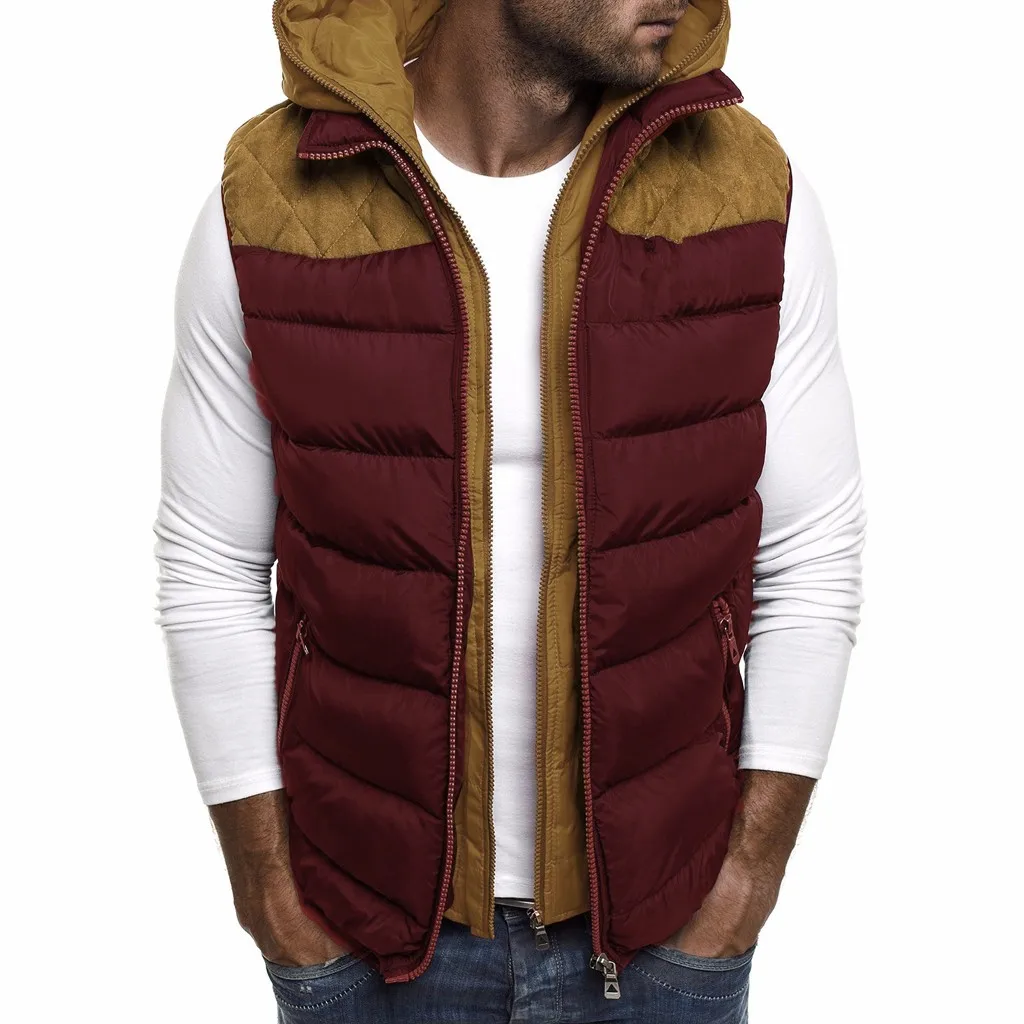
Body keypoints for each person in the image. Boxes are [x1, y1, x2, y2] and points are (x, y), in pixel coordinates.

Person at [153, 0, 866, 1020]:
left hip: (665, 935)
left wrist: (742, 886)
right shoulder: (272, 196)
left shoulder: (745, 189)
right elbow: (210, 565)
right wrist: (271, 897)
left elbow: (810, 552)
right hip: (369, 934)